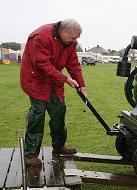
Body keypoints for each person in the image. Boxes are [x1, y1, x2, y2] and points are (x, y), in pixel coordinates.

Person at [20, 19, 88, 166]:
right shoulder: (40, 36)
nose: (75, 41)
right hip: (35, 80)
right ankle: (30, 155)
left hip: (53, 82)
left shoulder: (70, 43)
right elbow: (41, 64)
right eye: (73, 38)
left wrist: (82, 86)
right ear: (63, 32)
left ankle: (59, 146)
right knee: (37, 114)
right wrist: (65, 79)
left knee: (59, 111)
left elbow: (73, 64)